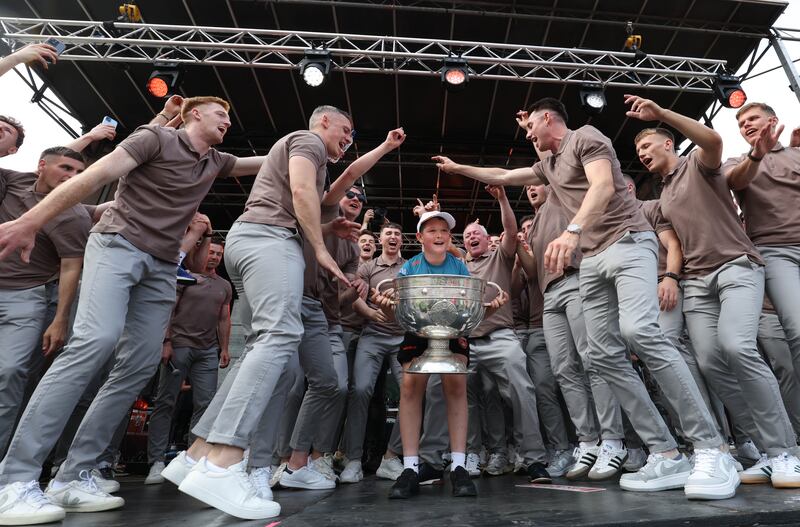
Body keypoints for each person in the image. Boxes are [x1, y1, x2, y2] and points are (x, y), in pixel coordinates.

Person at [433, 97, 730, 500]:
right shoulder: (548, 166)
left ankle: (712, 448)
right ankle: (665, 451)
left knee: (640, 331)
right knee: (603, 355)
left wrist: (572, 230)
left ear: (547, 119)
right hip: (592, 260)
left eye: (531, 126)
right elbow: (502, 174)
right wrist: (457, 168)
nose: (528, 132)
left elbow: (604, 185)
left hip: (627, 240)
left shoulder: (585, 137)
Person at [0, 96, 266, 525]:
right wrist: (30, 220)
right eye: (222, 114)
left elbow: (265, 161)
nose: (228, 122)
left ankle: (73, 476)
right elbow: (96, 176)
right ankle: (14, 480)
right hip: (117, 245)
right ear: (194, 113)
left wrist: (310, 144)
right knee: (95, 341)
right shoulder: (154, 138)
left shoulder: (214, 161)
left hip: (161, 265)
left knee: (138, 363)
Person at [169, 110, 403, 520]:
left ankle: (198, 454)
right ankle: (223, 463)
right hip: (268, 239)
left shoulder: (321, 168)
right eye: (346, 130)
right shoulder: (307, 141)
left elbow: (342, 180)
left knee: (271, 350)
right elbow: (299, 190)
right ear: (325, 123)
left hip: (257, 240)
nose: (349, 138)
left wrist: (384, 148)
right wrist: (320, 248)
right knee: (277, 340)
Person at [628, 94, 800, 490]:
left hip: (737, 267)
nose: (642, 153)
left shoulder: (701, 165)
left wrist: (662, 112)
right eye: (637, 150)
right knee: (709, 361)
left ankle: (784, 451)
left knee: (737, 346)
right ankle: (761, 447)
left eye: (646, 145)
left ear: (668, 143)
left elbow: (712, 141)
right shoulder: (664, 194)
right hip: (698, 284)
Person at [371, 210, 505, 499]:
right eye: (432, 230)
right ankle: (410, 467)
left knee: (457, 388)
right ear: (419, 237)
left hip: (454, 332)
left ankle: (458, 465)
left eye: (444, 230)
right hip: (417, 333)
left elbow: (471, 309)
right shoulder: (409, 268)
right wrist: (384, 305)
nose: (439, 235)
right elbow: (399, 312)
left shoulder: (459, 267)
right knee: (409, 389)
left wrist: (490, 308)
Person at [0, 147, 91, 454]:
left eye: (79, 173)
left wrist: (60, 319)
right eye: (66, 168)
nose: (72, 177)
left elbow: (70, 268)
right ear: (41, 166)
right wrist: (92, 136)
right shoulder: (13, 182)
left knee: (11, 372)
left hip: (25, 298)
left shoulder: (75, 214)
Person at [461, 185, 551, 484]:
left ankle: (535, 458)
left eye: (477, 234)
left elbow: (511, 230)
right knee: (468, 399)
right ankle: (476, 453)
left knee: (522, 391)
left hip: (501, 337)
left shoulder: (500, 257)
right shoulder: (458, 266)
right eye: (467, 236)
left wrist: (501, 198)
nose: (472, 237)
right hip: (466, 342)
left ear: (489, 240)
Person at [722, 102, 800, 439]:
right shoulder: (736, 161)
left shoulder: (797, 156)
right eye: (740, 122)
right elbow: (732, 181)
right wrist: (756, 155)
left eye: (752, 118)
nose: (745, 124)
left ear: (773, 121)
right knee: (797, 330)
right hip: (774, 251)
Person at [145, 241, 232, 485]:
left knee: (205, 404)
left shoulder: (224, 285)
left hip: (207, 350)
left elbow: (224, 318)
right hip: (179, 345)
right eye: (211, 252)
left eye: (218, 254)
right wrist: (167, 341)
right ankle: (157, 460)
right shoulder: (185, 277)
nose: (214, 257)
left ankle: (193, 459)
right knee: (166, 401)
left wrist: (224, 348)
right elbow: (169, 309)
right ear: (200, 251)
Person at [339, 222, 407, 483]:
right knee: (360, 390)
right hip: (373, 335)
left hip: (402, 338)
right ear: (380, 239)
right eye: (389, 233)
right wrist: (370, 312)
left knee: (412, 394)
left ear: (402, 241)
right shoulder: (367, 267)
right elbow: (357, 297)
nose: (393, 236)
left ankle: (391, 457)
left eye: (397, 234)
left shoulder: (410, 267)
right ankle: (353, 460)